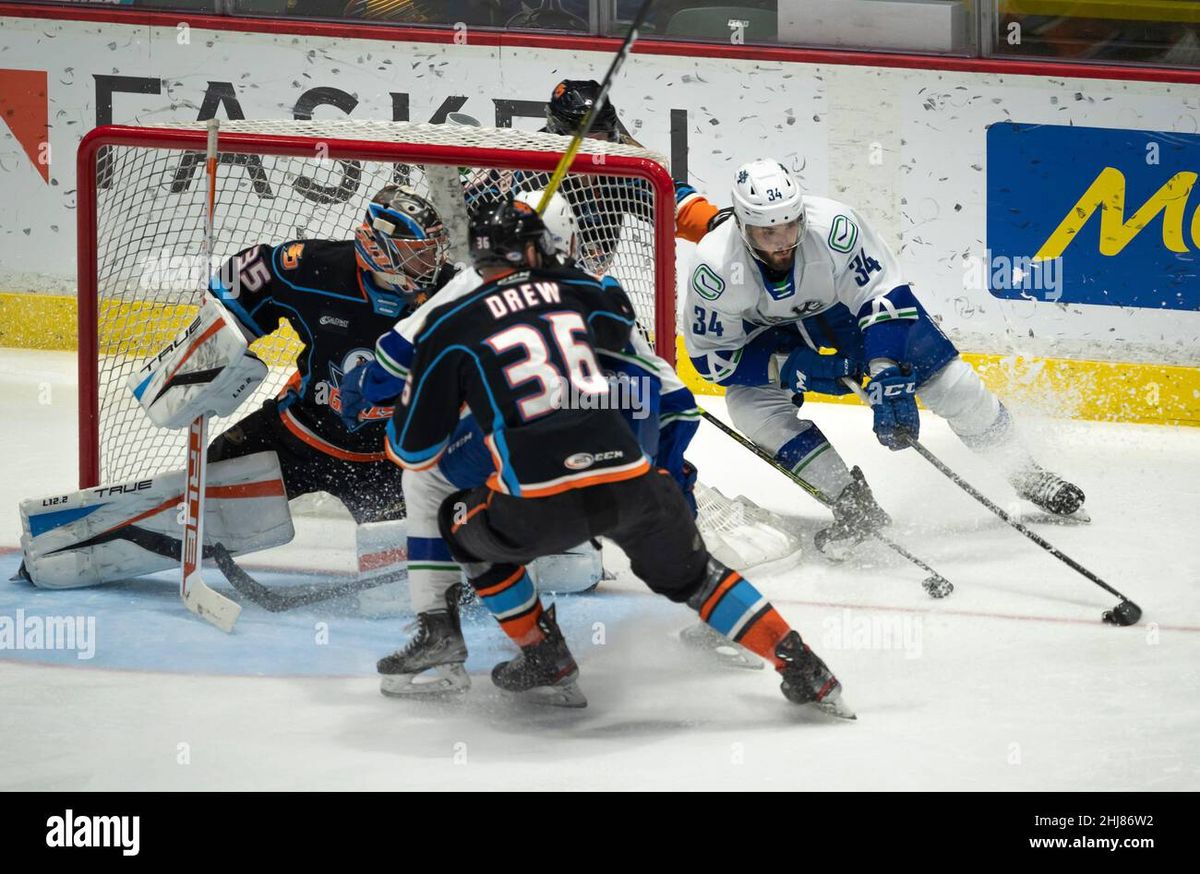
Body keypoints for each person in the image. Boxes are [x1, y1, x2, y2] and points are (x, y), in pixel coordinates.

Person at [383, 197, 852, 715]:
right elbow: (660, 389)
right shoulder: (591, 291)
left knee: (457, 519)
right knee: (697, 575)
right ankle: (807, 669)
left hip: (537, 501)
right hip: (630, 480)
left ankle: (539, 655)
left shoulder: (451, 322)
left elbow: (410, 449)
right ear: (546, 249)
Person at [683, 159, 1086, 557]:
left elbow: (886, 298)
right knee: (751, 409)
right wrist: (791, 366)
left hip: (846, 313)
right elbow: (713, 360)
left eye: (790, 225)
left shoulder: (836, 228)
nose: (782, 242)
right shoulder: (716, 268)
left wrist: (885, 372)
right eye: (767, 232)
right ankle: (852, 504)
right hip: (771, 335)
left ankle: (1025, 472)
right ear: (741, 225)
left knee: (954, 386)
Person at [205, 184, 457, 527]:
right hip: (300, 433)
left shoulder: (450, 292)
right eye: (420, 255)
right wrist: (211, 352)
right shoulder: (312, 269)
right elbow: (230, 289)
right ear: (381, 252)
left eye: (433, 253)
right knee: (213, 477)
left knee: (401, 552)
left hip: (391, 458)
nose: (434, 263)